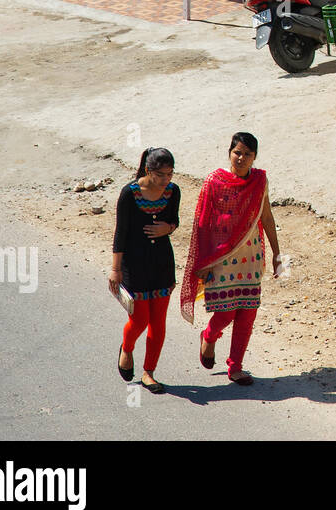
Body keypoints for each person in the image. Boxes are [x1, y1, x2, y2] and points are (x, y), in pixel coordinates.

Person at [181, 132, 280, 386]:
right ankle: (209, 336)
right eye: (237, 152)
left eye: (247, 154)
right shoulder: (215, 180)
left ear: (254, 157)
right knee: (225, 313)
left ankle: (235, 367)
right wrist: (202, 261)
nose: (241, 158)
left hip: (251, 257)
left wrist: (278, 253)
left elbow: (266, 217)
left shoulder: (260, 180)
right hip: (221, 258)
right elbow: (203, 222)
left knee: (247, 313)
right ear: (229, 152)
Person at [111, 147, 180, 394]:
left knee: (158, 321)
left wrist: (168, 228)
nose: (166, 180)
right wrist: (115, 269)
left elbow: (175, 220)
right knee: (139, 319)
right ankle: (127, 348)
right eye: (161, 175)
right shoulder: (129, 194)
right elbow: (121, 232)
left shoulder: (173, 192)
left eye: (170, 174)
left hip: (162, 263)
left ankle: (149, 372)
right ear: (148, 171)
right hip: (134, 265)